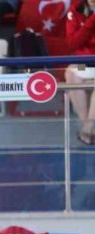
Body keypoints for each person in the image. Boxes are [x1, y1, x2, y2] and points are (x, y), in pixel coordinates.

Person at [66, 0, 95, 145]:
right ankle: (87, 127)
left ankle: (87, 129)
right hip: (86, 63)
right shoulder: (75, 10)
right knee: (71, 72)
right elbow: (73, 43)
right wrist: (92, 20)